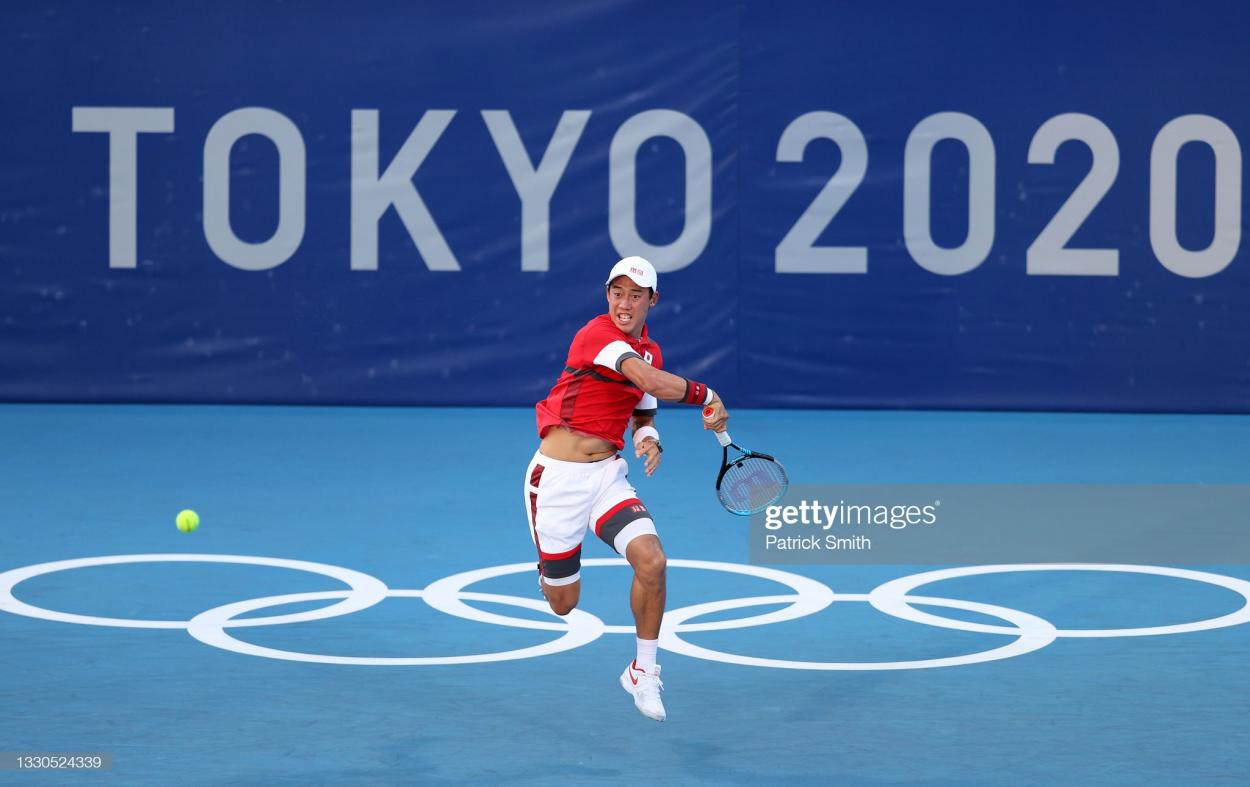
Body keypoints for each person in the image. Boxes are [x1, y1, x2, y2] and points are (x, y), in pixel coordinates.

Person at [525, 255, 729, 722]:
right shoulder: (596, 335)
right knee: (563, 604)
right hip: (555, 481)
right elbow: (648, 380)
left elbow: (642, 403)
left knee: (652, 561)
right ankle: (550, 568)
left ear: (652, 301)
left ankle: (644, 670)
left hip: (605, 478)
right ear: (607, 296)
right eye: (617, 292)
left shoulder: (650, 350)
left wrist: (647, 437)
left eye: (636, 295)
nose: (624, 302)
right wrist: (710, 395)